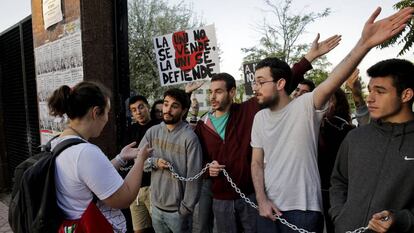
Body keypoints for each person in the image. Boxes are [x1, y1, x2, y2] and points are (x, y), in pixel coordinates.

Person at [251, 7, 413, 233]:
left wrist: (364, 44)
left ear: (279, 84)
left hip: (303, 211)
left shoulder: (306, 105)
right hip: (267, 210)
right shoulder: (259, 118)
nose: (254, 88)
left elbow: (334, 78)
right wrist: (261, 200)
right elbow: (257, 163)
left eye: (260, 82)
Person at [192, 33, 342, 233]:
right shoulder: (203, 125)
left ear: (231, 92)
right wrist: (207, 167)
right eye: (210, 92)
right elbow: (199, 161)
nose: (213, 96)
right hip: (221, 199)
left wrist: (308, 58)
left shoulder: (249, 110)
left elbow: (281, 82)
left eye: (218, 91)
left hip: (252, 197)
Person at [47, 81, 152, 232]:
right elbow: (124, 197)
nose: (107, 119)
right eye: (107, 112)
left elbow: (90, 177)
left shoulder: (58, 141)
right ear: (96, 112)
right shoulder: (85, 152)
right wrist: (140, 160)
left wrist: (121, 158)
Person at [330, 58, 414, 233]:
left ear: (406, 95)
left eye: (380, 91)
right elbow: (338, 182)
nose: (371, 98)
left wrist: (400, 220)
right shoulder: (355, 137)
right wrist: (340, 216)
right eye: (370, 90)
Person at [141, 88, 202, 233]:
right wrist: (155, 162)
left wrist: (185, 209)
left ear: (183, 110)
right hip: (156, 207)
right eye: (166, 104)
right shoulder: (152, 132)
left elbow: (194, 177)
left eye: (174, 106)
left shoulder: (189, 138)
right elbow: (140, 161)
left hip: (178, 213)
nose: (167, 109)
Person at [317, 88, 355, 233]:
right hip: (320, 187)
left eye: (328, 99)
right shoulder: (318, 125)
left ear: (336, 103)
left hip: (334, 189)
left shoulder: (342, 127)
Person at [124, 95, 157, 233]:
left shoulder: (158, 126)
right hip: (135, 190)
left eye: (141, 107)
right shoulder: (129, 130)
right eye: (133, 110)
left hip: (154, 187)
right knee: (139, 229)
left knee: (159, 228)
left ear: (147, 107)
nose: (138, 112)